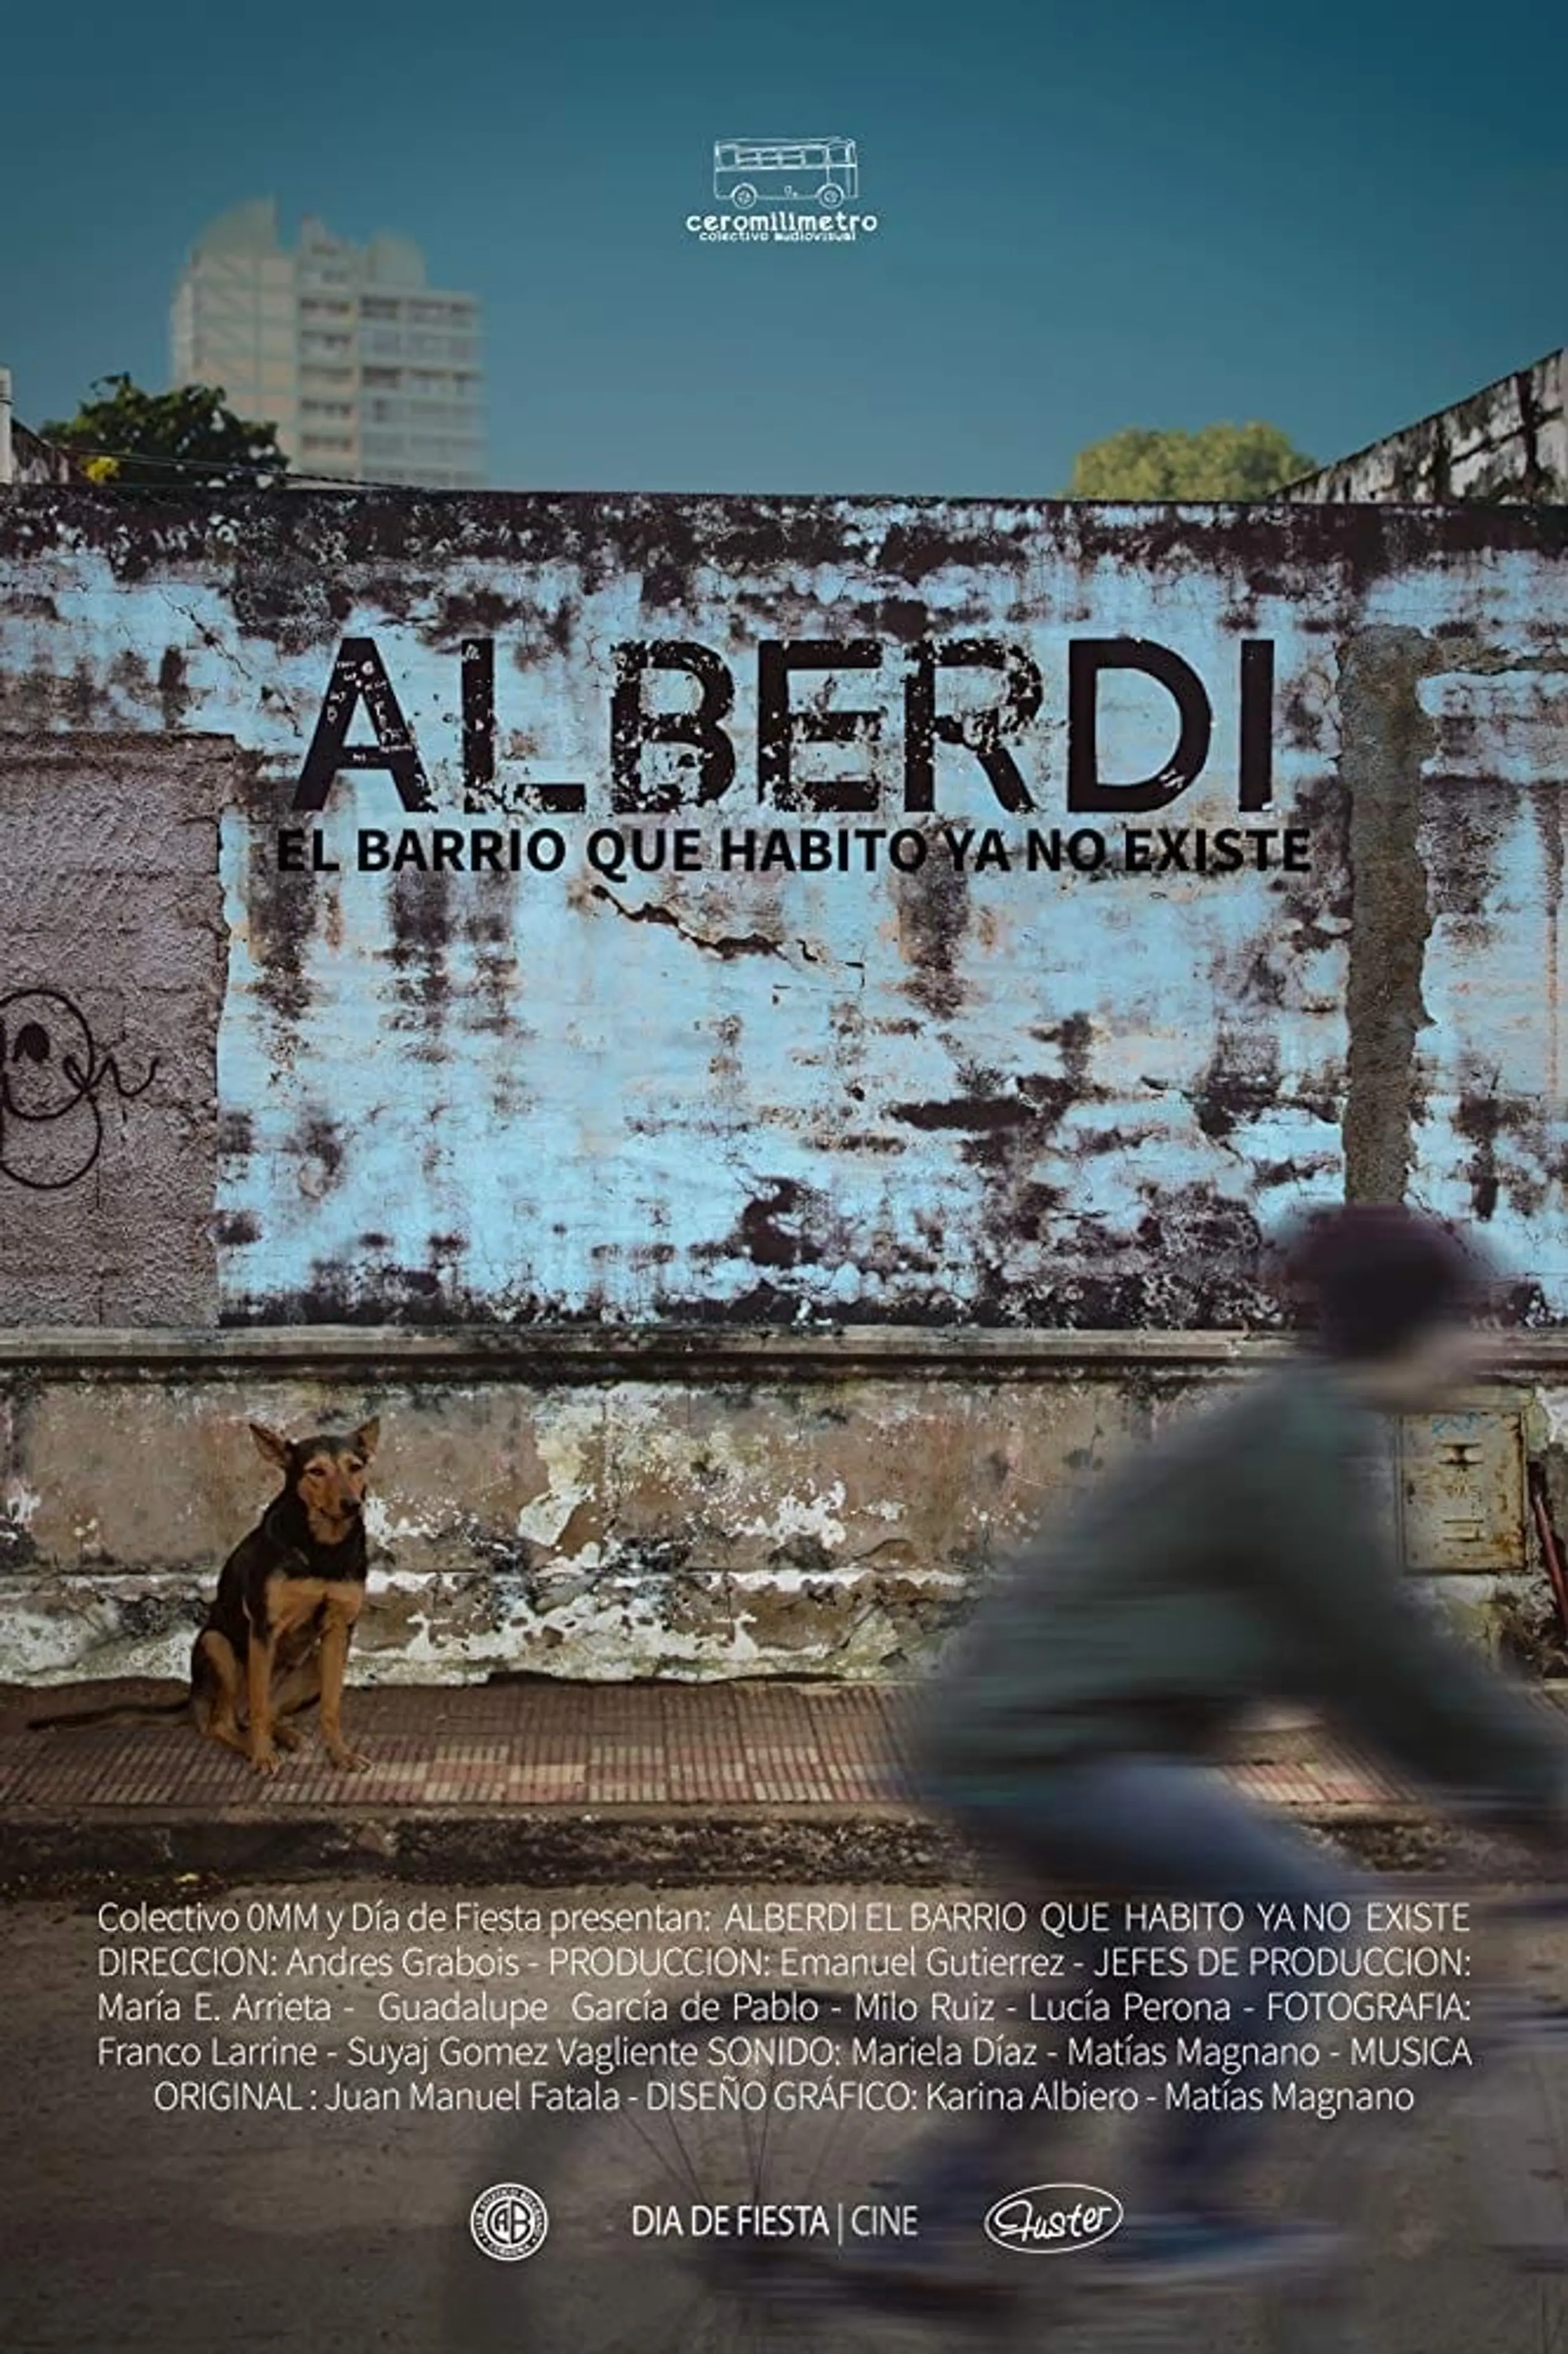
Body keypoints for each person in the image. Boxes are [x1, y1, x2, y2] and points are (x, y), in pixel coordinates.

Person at [876, 1204, 1568, 2290]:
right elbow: (1384, 1660)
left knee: (1123, 2006)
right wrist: (1541, 1785)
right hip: (1048, 1752)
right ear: (1413, 1327)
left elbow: (1363, 1677)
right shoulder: (1296, 1442)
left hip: (1013, 1738)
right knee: (1313, 1907)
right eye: (1471, 1319)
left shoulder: (1304, 1429)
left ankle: (912, 2230)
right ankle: (1179, 2207)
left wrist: (1506, 1785)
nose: (1490, 1345)